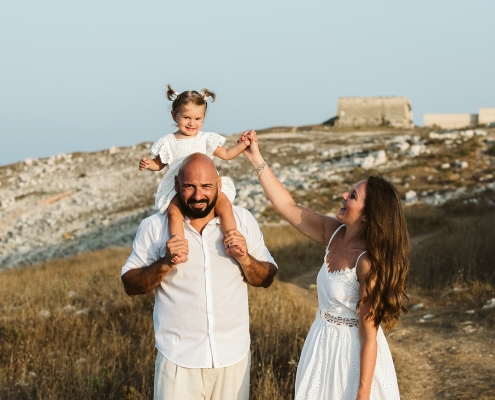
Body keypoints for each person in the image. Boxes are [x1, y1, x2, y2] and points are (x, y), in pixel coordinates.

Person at [242, 132, 409, 400]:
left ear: (367, 216)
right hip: (320, 343)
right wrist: (256, 159)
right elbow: (287, 206)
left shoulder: (367, 263)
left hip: (352, 354)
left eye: (352, 195)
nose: (343, 195)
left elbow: (369, 332)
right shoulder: (334, 232)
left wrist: (362, 393)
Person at [122, 153, 277, 400]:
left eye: (206, 186)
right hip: (178, 360)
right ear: (176, 186)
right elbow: (130, 285)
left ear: (219, 184)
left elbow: (267, 277)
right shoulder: (154, 227)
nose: (198, 196)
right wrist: (165, 263)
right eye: (189, 187)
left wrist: (245, 258)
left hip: (232, 358)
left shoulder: (242, 221)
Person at [139, 85, 255, 264]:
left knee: (224, 204)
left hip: (206, 184)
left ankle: (232, 237)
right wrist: (149, 164)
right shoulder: (169, 141)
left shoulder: (205, 138)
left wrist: (243, 145)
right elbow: (160, 164)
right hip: (179, 186)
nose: (192, 123)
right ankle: (179, 247)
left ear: (204, 118)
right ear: (174, 115)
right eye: (186, 117)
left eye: (197, 118)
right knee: (174, 212)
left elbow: (225, 154)